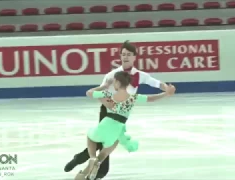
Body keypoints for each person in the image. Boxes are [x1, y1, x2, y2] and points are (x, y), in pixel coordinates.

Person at [64, 40, 170, 179]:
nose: (125, 57)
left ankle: (82, 159)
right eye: (123, 54)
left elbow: (157, 83)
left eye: (128, 54)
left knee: (104, 139)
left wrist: (167, 89)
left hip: (122, 111)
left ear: (134, 57)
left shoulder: (140, 75)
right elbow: (99, 92)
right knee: (106, 140)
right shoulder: (112, 75)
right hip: (109, 110)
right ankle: (98, 170)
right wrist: (107, 103)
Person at [83, 71, 176, 180]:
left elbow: (89, 92)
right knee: (110, 146)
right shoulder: (133, 98)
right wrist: (166, 94)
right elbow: (151, 98)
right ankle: (98, 162)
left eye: (114, 83)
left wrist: (104, 86)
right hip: (118, 128)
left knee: (90, 136)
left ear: (117, 82)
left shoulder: (109, 94)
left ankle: (93, 158)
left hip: (106, 123)